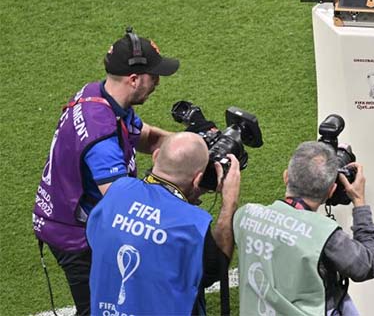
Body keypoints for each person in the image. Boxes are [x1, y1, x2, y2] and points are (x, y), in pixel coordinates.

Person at [32, 27, 180, 316]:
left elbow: (144, 136)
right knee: (99, 309)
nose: (158, 82)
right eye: (154, 76)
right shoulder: (100, 136)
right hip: (72, 233)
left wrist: (186, 147)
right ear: (134, 79)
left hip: (72, 213)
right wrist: (176, 188)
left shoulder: (98, 94)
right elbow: (123, 206)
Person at [86, 132, 241, 315]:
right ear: (198, 179)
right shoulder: (191, 223)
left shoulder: (117, 192)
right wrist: (229, 203)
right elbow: (215, 269)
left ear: (156, 155)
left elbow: (94, 237)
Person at [234, 141, 374, 316]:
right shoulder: (325, 235)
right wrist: (359, 201)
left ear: (286, 176)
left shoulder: (245, 215)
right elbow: (366, 266)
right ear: (331, 191)